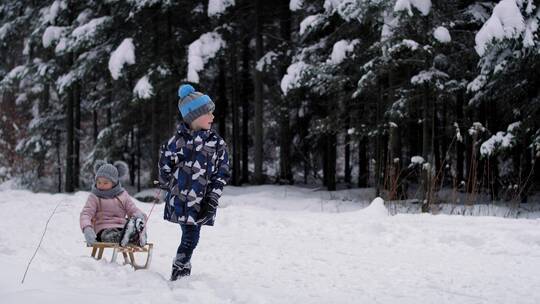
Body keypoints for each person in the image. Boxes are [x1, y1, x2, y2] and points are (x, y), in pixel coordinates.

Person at [159, 84, 230, 281]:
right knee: (190, 236)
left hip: (203, 201)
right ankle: (180, 267)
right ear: (194, 116)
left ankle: (183, 265)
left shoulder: (217, 144)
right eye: (209, 113)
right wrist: (165, 179)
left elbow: (221, 173)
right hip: (182, 200)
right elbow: (165, 165)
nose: (213, 117)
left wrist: (213, 199)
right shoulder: (176, 143)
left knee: (193, 236)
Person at [80, 160, 147, 247]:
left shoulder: (122, 195)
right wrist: (87, 228)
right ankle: (127, 237)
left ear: (114, 183)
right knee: (108, 235)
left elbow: (132, 209)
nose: (101, 185)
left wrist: (140, 216)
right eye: (99, 182)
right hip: (103, 228)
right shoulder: (95, 197)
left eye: (105, 183)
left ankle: (134, 235)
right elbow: (86, 213)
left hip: (122, 227)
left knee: (127, 229)